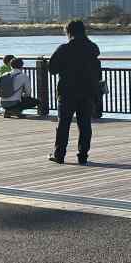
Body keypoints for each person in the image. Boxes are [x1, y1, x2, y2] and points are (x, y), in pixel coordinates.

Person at [47, 20, 101, 164]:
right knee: (85, 125)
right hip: (88, 91)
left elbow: (52, 69)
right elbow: (97, 72)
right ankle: (83, 155)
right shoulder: (92, 48)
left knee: (63, 125)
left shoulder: (64, 49)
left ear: (69, 32)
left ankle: (59, 155)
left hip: (67, 92)